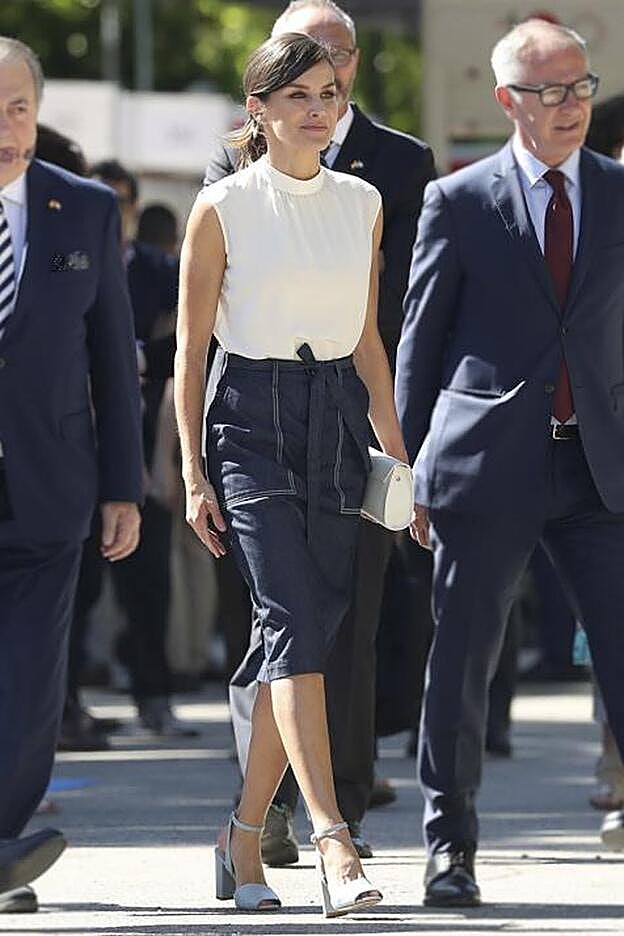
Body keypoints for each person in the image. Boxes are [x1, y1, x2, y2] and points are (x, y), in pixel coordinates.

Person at [176, 32, 407, 915]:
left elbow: (368, 341)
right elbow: (190, 354)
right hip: (249, 420)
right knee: (292, 619)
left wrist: (401, 458)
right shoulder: (223, 206)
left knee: (301, 637)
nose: (321, 108)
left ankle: (241, 838)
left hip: (339, 417)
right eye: (300, 95)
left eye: (332, 93)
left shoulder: (364, 201)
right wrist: (194, 471)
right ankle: (331, 837)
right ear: (259, 111)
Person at [395, 17, 624, 906]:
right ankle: (448, 847)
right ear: (506, 101)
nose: (568, 106)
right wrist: (404, 468)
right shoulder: (458, 201)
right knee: (462, 661)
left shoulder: (616, 190)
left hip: (599, 468)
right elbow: (420, 343)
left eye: (579, 87)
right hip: (487, 463)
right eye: (547, 91)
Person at [0, 37, 142, 913]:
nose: (5, 128)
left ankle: (7, 845)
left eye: (18, 108)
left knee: (29, 675)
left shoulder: (81, 207)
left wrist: (121, 485)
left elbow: (109, 354)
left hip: (50, 484)